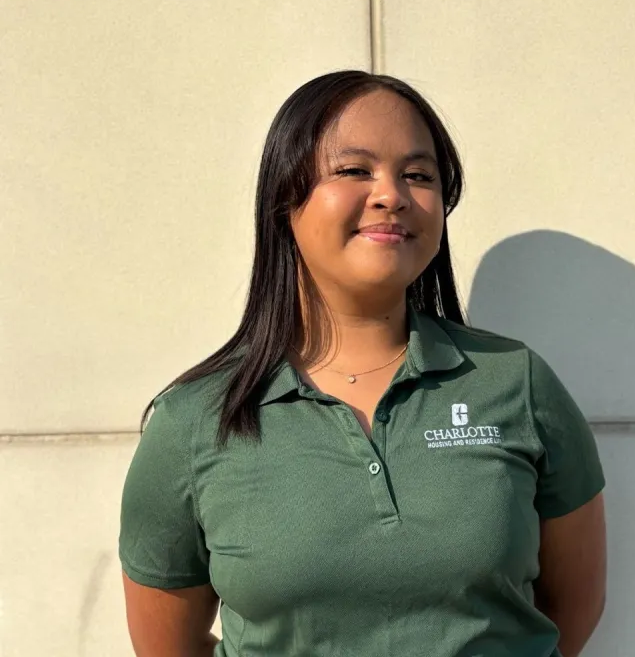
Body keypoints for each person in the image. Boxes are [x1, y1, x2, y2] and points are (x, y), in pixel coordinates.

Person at [119, 70, 607, 657]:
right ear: (285, 198)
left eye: (418, 175)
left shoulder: (515, 384)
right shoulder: (196, 420)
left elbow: (572, 605)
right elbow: (166, 644)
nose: (392, 195)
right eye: (354, 170)